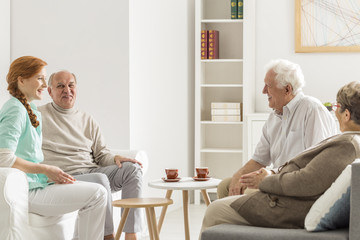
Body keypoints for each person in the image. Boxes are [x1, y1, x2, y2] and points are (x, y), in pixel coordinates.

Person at [200, 81, 360, 233]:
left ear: (346, 114)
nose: (264, 91)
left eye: (336, 106)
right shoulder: (348, 141)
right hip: (286, 191)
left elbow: (306, 181)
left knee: (215, 210)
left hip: (288, 205)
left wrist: (266, 180)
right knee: (227, 187)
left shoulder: (346, 144)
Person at [0, 56, 107, 240]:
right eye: (39, 78)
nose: (44, 84)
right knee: (97, 194)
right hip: (28, 190)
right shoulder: (15, 109)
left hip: (38, 184)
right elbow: (3, 157)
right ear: (22, 80)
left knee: (97, 192)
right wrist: (46, 169)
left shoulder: (30, 109)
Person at [38, 70, 143, 240]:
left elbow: (102, 154)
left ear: (76, 88)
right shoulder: (37, 116)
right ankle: (108, 236)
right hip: (66, 176)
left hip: (91, 171)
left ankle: (131, 235)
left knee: (133, 169)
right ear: (49, 91)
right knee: (100, 181)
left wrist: (115, 158)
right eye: (60, 86)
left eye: (71, 85)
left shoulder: (87, 119)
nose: (67, 90)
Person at [218, 59, 338, 199]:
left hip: (294, 185)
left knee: (249, 193)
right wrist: (238, 175)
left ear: (287, 89)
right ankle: (234, 220)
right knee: (225, 186)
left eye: (268, 86)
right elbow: (258, 160)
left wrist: (271, 174)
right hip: (276, 180)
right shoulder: (273, 118)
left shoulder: (312, 110)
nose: (263, 91)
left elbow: (315, 162)